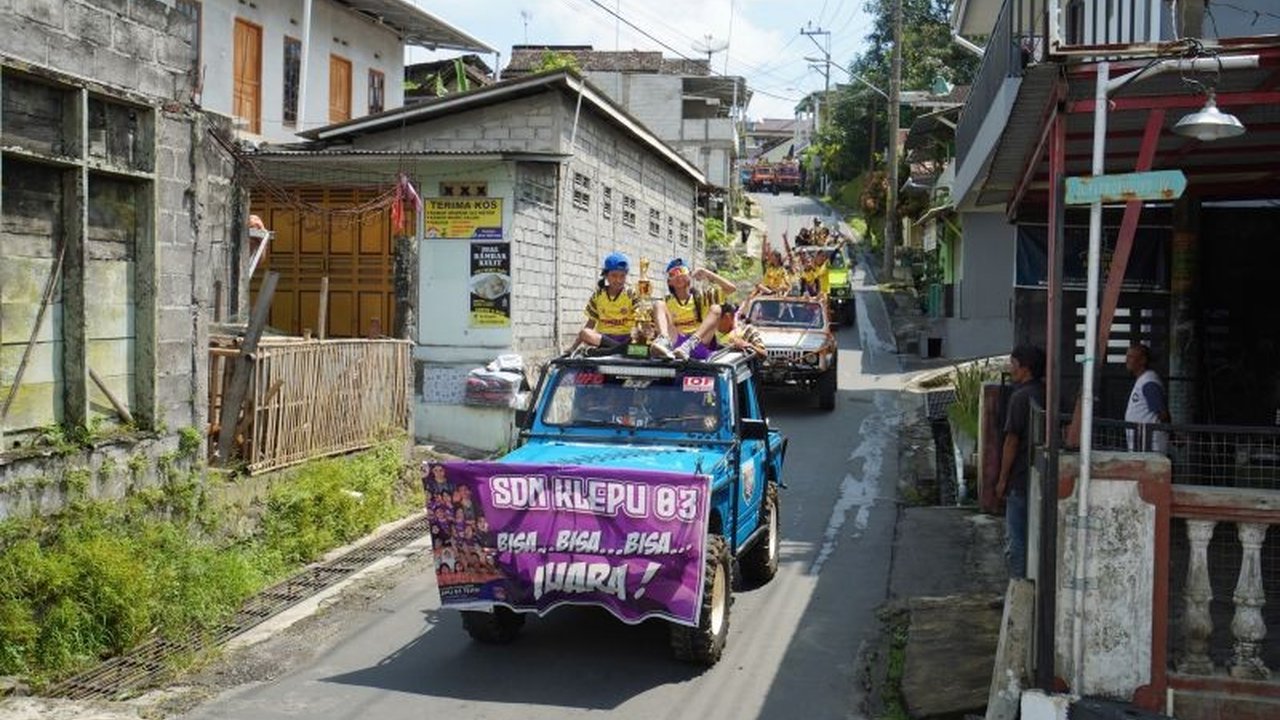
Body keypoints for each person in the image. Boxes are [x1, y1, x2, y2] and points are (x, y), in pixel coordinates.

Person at [997, 344, 1045, 578]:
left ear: (1025, 369)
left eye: (1014, 365)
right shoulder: (1045, 393)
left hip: (1019, 478)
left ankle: (1018, 589)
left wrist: (1002, 479)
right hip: (1039, 477)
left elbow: (1011, 442)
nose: (1010, 369)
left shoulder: (1020, 397)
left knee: (1016, 539)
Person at [656, 257, 736, 360]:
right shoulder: (666, 301)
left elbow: (731, 289)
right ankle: (663, 341)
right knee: (658, 304)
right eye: (673, 274)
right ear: (669, 282)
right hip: (675, 342)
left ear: (690, 276)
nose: (679, 277)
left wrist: (706, 273)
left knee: (716, 308)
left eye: (682, 272)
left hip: (698, 343)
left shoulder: (702, 297)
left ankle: (689, 344)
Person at [578, 252, 640, 351]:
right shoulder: (598, 295)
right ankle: (622, 350)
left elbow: (640, 319)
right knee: (585, 333)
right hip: (603, 340)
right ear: (606, 275)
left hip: (626, 338)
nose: (618, 280)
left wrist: (639, 332)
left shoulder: (631, 294)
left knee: (645, 341)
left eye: (622, 276)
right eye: (614, 275)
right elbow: (591, 323)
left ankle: (617, 349)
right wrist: (573, 348)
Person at [1124, 342, 1171, 453]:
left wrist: (1171, 434)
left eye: (1131, 357)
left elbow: (1163, 414)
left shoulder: (1149, 382)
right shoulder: (1143, 380)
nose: (1127, 360)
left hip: (1149, 446)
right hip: (1142, 445)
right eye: (1127, 356)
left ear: (1143, 360)